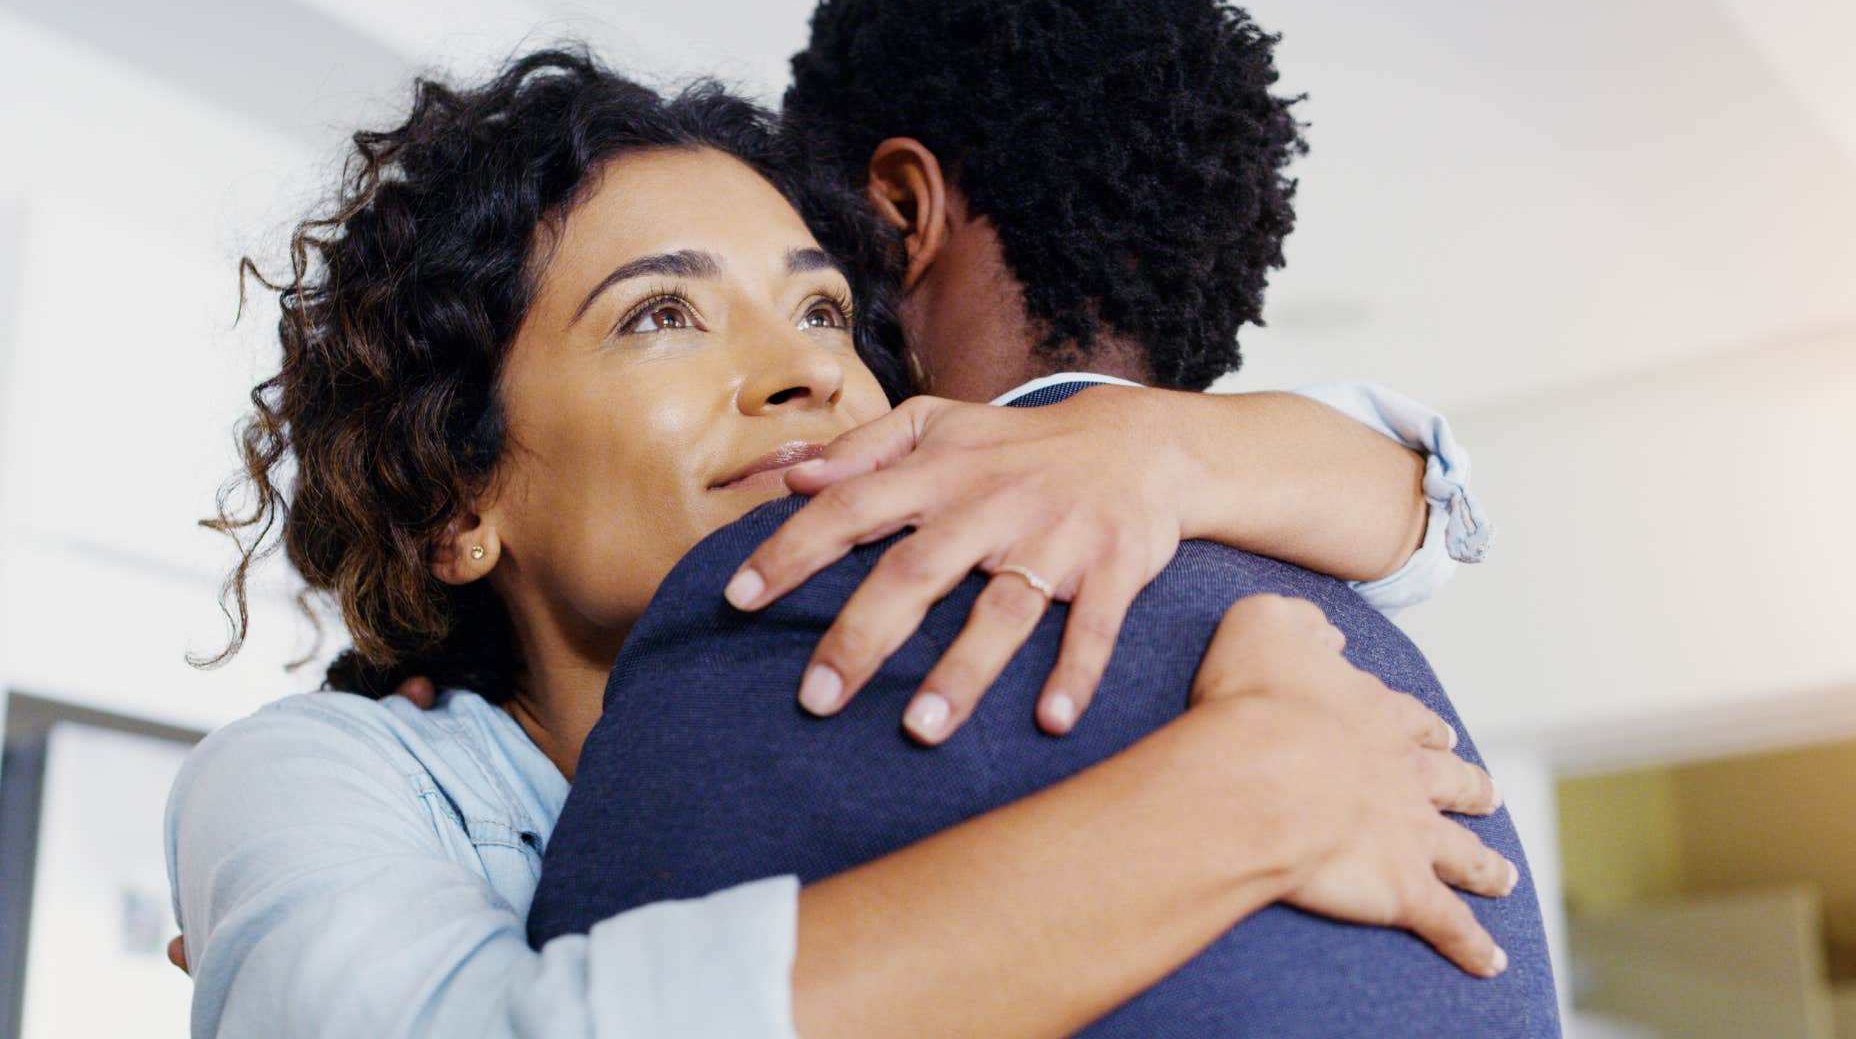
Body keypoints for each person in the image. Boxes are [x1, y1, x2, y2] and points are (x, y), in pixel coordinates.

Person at [167, 51, 1512, 1037]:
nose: (803, 372)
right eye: (660, 319)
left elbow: (1415, 514)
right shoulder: (323, 779)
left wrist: (1162, 448)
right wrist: (1247, 801)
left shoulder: (940, 625)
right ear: (459, 504)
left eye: (821, 312)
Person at [525, 0, 1557, 1033]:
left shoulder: (799, 585)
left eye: (823, 292)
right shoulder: (1372, 657)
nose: (805, 367)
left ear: (893, 219)